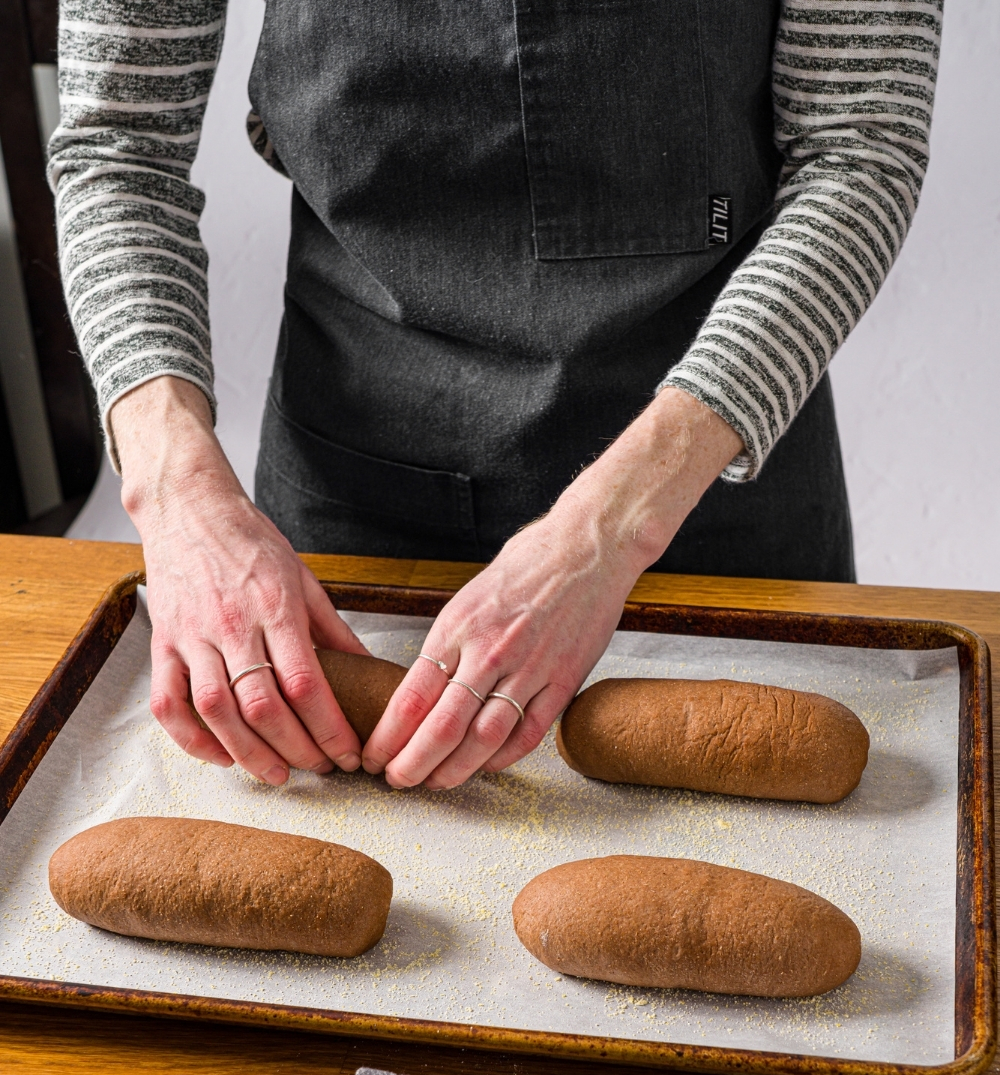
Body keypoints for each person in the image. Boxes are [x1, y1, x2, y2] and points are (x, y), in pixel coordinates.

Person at [49, 0, 941, 791]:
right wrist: (175, 495)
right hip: (351, 492)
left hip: (707, 477)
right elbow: (117, 147)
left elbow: (857, 151)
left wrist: (612, 526)